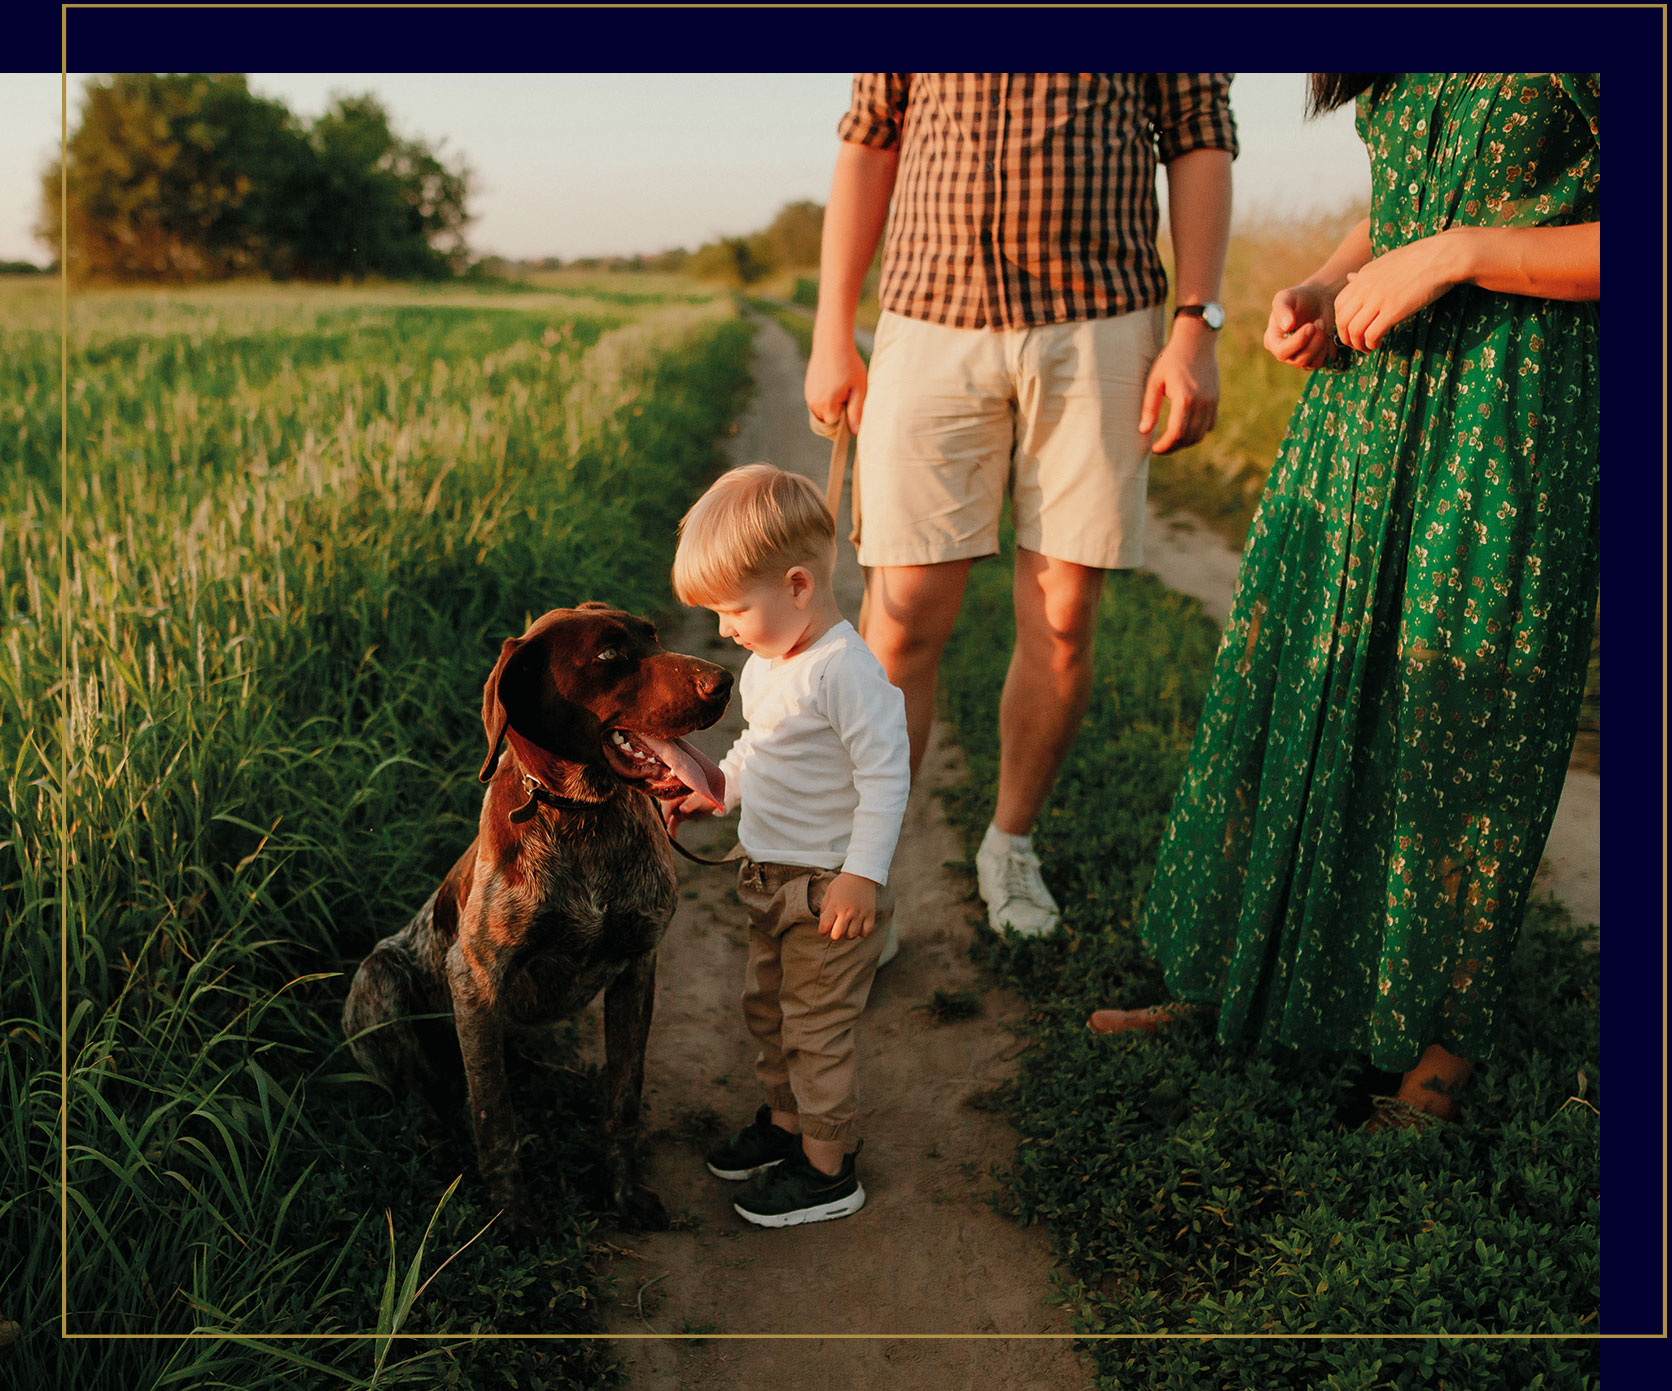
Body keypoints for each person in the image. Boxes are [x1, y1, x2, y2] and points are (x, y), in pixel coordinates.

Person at [1089, 73, 1601, 1131]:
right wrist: (1329, 285)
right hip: (1366, 405)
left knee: (1465, 725)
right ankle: (1238, 985)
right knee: (1296, 682)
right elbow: (1404, 198)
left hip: (1509, 406)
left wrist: (1458, 255)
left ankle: (1434, 1063)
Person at [806, 73, 1237, 938]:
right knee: (901, 620)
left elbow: (1197, 133)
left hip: (1101, 321)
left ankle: (1010, 842)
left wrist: (1195, 327)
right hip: (929, 317)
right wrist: (830, 330)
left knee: (1065, 613)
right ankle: (868, 871)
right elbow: (870, 136)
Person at [667, 463, 910, 1225]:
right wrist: (718, 790)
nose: (724, 629)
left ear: (798, 587)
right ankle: (787, 1121)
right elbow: (757, 750)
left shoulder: (847, 671)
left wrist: (862, 876)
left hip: (827, 892)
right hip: (767, 883)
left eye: (733, 609)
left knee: (816, 1026)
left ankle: (828, 1170)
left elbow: (885, 776)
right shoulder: (770, 661)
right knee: (768, 1009)